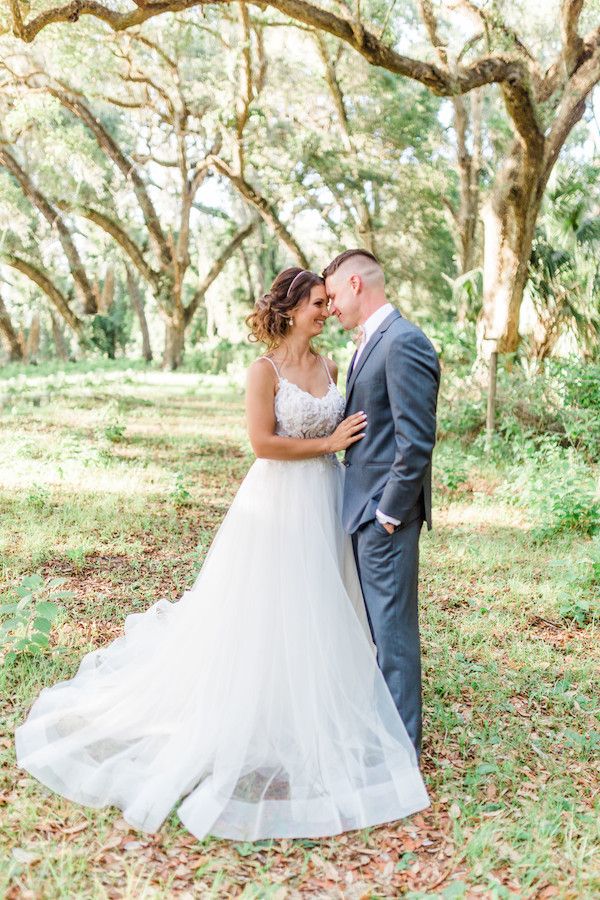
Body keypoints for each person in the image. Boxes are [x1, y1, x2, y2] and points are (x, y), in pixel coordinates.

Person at [15, 266, 429, 842]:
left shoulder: (333, 364)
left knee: (327, 605)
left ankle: (328, 713)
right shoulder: (264, 371)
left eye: (329, 301)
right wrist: (327, 443)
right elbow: (262, 442)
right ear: (289, 310)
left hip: (330, 499)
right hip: (280, 500)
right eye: (317, 302)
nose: (327, 311)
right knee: (272, 606)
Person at [323, 249, 440, 760]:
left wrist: (388, 514)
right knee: (376, 631)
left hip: (383, 516)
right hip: (364, 509)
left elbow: (416, 440)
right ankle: (384, 738)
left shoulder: (404, 341)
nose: (329, 309)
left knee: (393, 637)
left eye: (330, 298)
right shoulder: (370, 342)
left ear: (354, 284)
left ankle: (401, 757)